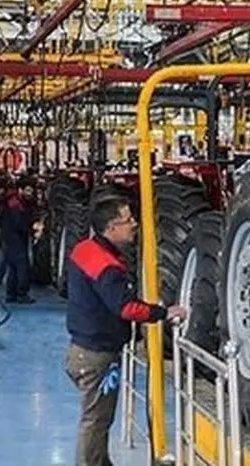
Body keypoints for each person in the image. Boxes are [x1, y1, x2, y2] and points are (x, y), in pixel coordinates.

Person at [65, 196, 186, 466]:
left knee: (97, 419)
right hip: (97, 357)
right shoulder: (106, 266)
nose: (134, 224)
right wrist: (163, 313)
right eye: (127, 220)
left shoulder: (83, 249)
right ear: (111, 228)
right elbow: (127, 308)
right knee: (96, 421)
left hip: (80, 350)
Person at [0, 181, 34, 304]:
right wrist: (31, 228)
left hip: (11, 237)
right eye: (28, 190)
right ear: (20, 189)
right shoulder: (15, 204)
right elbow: (18, 222)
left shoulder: (15, 202)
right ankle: (22, 293)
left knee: (13, 267)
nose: (30, 194)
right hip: (15, 237)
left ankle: (11, 293)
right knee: (22, 265)